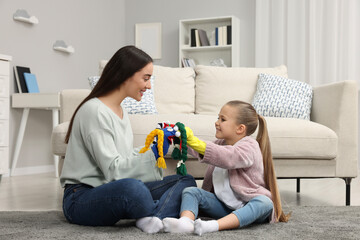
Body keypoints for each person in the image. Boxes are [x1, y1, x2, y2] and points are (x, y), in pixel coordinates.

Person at [60, 45, 196, 233]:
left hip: (111, 188)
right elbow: (113, 169)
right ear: (126, 74)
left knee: (185, 181)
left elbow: (123, 156)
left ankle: (152, 218)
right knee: (134, 190)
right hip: (81, 198)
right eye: (146, 78)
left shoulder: (120, 111)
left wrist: (155, 149)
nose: (149, 86)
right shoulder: (94, 111)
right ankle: (157, 210)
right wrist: (155, 152)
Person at [162, 100, 290, 235]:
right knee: (191, 191)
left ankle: (214, 225)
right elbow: (202, 151)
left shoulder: (250, 146)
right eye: (218, 117)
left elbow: (228, 157)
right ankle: (185, 223)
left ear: (240, 128)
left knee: (265, 202)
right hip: (223, 207)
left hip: (247, 205)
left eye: (222, 119)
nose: (217, 122)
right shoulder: (221, 143)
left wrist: (195, 141)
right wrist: (180, 138)